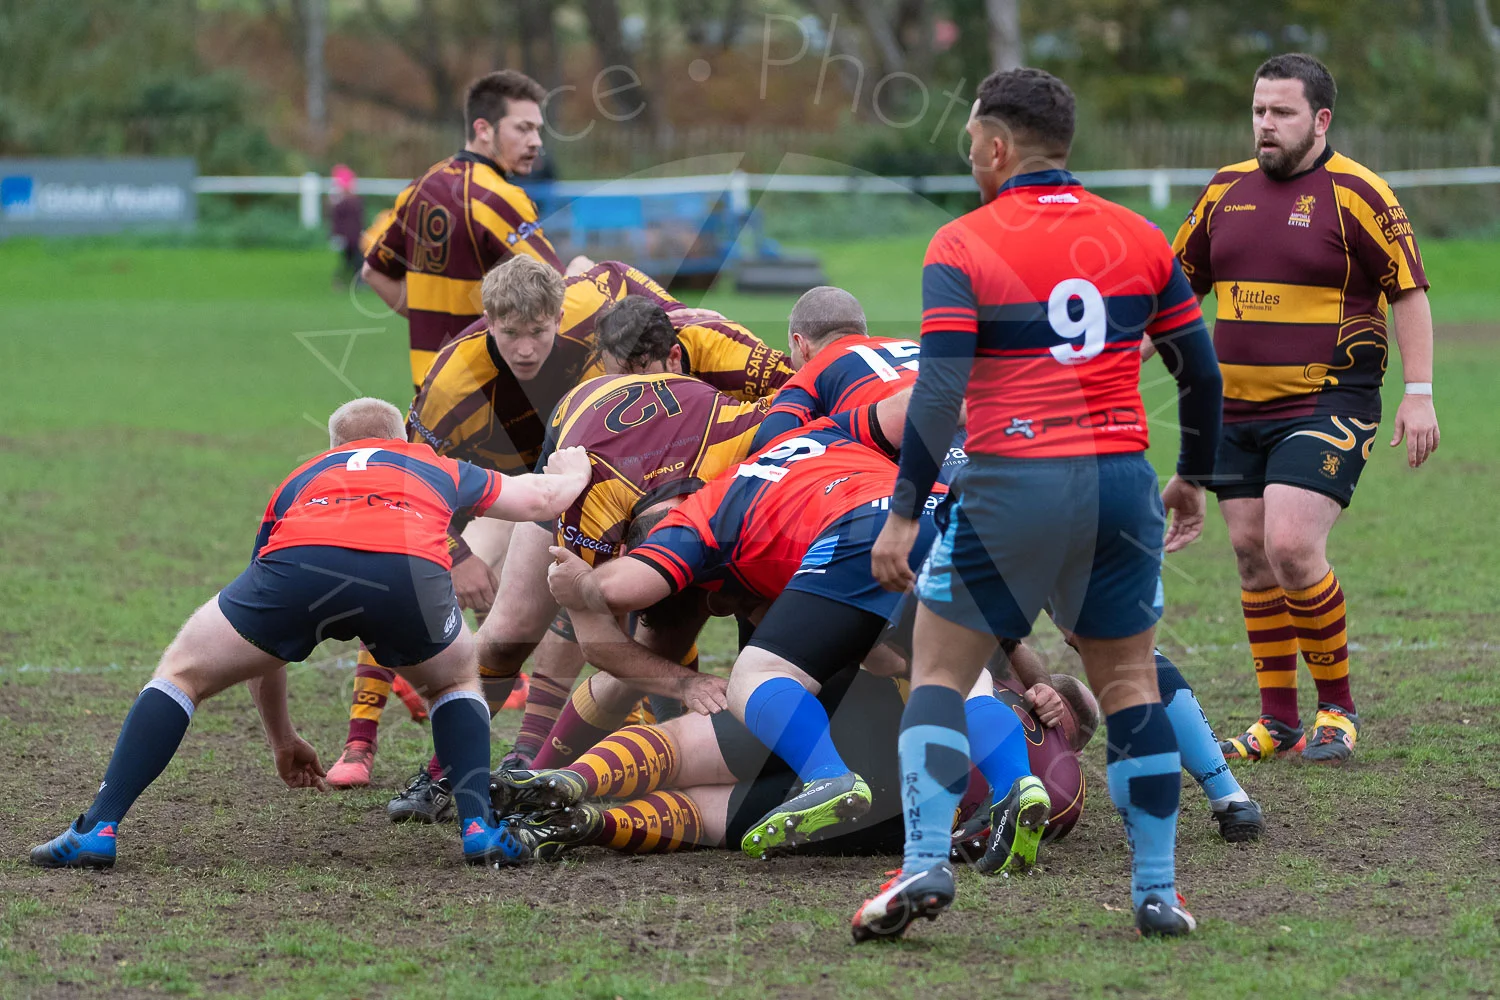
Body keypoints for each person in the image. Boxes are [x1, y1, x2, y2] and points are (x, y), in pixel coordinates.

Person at [853, 68, 1223, 941]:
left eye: (970, 145)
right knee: (1130, 683)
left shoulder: (962, 244)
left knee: (940, 672)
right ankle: (1158, 891)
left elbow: (939, 391)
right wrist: (1191, 476)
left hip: (1011, 482)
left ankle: (922, 863)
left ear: (994, 146)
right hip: (1121, 484)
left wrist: (905, 509)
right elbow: (1200, 374)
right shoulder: (1138, 238)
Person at [28, 399, 591, 870]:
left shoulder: (299, 479)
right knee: (454, 681)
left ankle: (98, 828)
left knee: (182, 674)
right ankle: (479, 829)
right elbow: (536, 500)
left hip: (301, 565)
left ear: (331, 448)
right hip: (403, 575)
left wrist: (283, 740)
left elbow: (264, 650)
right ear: (405, 437)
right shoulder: (431, 462)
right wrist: (574, 473)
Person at [1171, 53, 1439, 765]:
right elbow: (1177, 288)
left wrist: (1419, 393)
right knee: (1253, 557)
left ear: (1320, 119)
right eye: (1259, 110)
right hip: (1236, 406)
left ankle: (1338, 711)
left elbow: (1409, 290)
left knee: (1292, 545)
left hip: (1328, 401)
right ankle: (1277, 718)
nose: (1266, 123)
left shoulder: (1359, 194)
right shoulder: (1224, 191)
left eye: (1282, 112)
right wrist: (1121, 354)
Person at [360, 70, 569, 391]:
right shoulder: (499, 198)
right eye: (523, 129)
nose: (536, 142)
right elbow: (558, 290)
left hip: (430, 394)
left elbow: (373, 272)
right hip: (488, 396)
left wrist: (429, 321)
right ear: (483, 129)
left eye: (537, 131)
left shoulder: (420, 188)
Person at [751, 285, 921, 449]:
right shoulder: (913, 346)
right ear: (864, 334)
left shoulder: (812, 373)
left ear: (801, 344)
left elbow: (769, 446)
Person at [328, 164, 365, 288]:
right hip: (349, 236)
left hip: (352, 236)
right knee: (352, 260)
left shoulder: (347, 200)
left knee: (352, 260)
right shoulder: (347, 201)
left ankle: (351, 280)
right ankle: (349, 280)